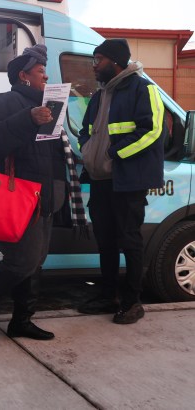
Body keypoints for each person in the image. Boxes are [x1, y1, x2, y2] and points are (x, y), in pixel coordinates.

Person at [0, 44, 87, 341]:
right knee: (22, 261)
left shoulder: (50, 108)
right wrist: (27, 119)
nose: (45, 77)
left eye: (46, 73)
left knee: (36, 262)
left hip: (45, 197)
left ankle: (22, 320)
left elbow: (53, 156)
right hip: (18, 198)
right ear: (22, 76)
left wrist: (61, 192)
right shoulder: (4, 102)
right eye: (40, 72)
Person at [77, 39, 165, 324]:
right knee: (106, 241)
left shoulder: (143, 89)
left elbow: (152, 131)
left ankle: (132, 302)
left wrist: (114, 155)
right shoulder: (100, 96)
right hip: (101, 180)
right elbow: (85, 131)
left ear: (115, 61)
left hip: (128, 181)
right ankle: (108, 296)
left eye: (98, 59)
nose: (94, 65)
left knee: (130, 240)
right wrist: (89, 151)